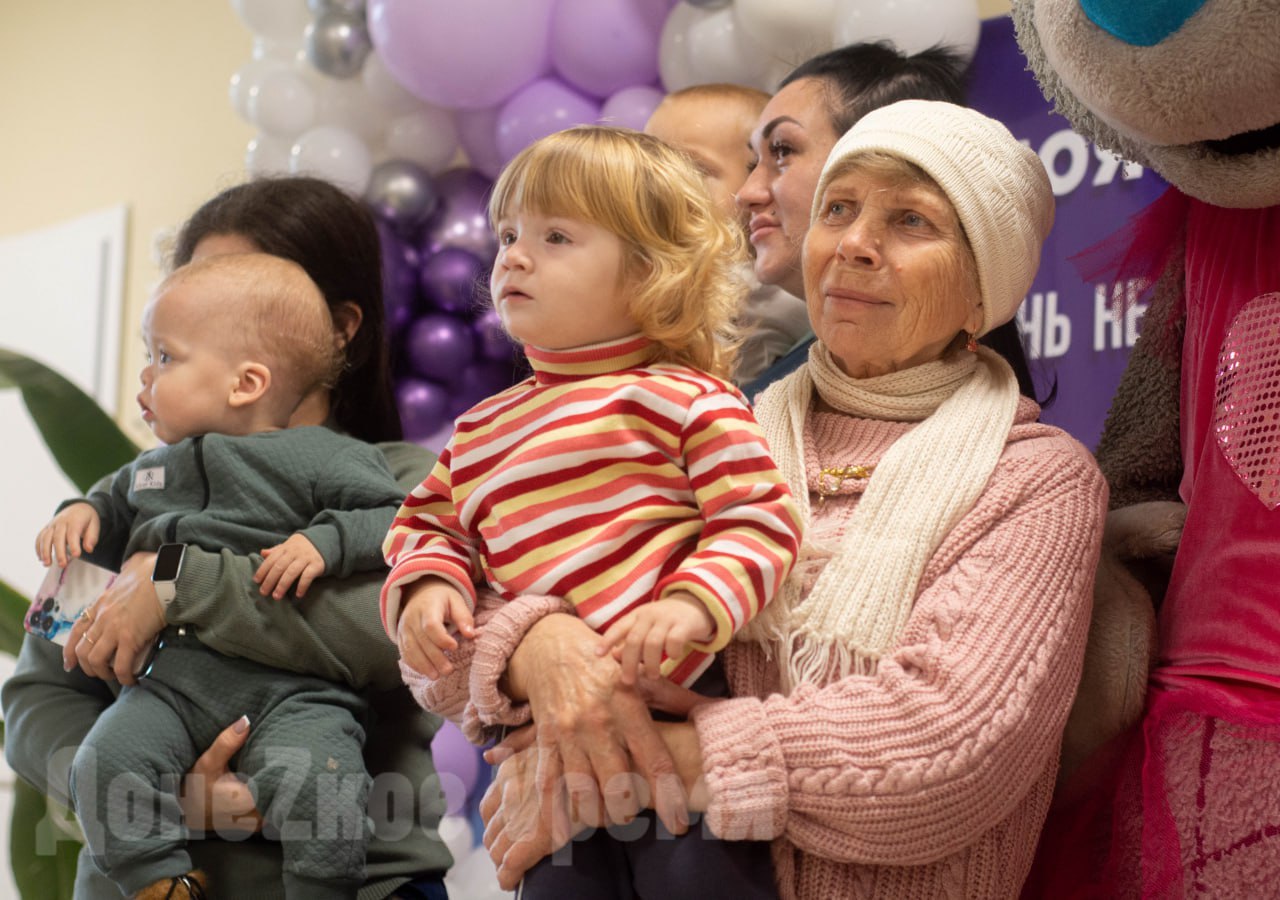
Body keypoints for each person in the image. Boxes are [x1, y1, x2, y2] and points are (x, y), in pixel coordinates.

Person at [418, 101, 1108, 899]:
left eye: (911, 221)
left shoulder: (1032, 478)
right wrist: (538, 647)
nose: (852, 243)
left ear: (984, 292)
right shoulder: (708, 424)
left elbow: (945, 753)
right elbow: (434, 651)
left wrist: (627, 762)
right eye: (838, 209)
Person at [2, 176, 451, 900]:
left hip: (365, 881)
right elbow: (38, 696)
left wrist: (175, 583)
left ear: (339, 326)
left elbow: (386, 633)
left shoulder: (400, 479)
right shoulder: (134, 495)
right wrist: (160, 795)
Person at [387, 125, 803, 898]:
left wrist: (693, 602)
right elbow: (426, 527)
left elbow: (758, 521)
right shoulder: (479, 430)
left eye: (555, 236)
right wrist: (427, 585)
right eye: (508, 234)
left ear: (650, 271)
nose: (513, 255)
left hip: (677, 709)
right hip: (545, 742)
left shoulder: (687, 396)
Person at [736, 41, 1040, 402]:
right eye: (838, 208)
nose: (745, 193)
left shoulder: (1031, 456)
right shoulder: (750, 413)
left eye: (783, 150)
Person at [644, 84, 810, 384]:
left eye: (693, 169)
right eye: (647, 171)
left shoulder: (771, 296)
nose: (661, 188)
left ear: (755, 186)